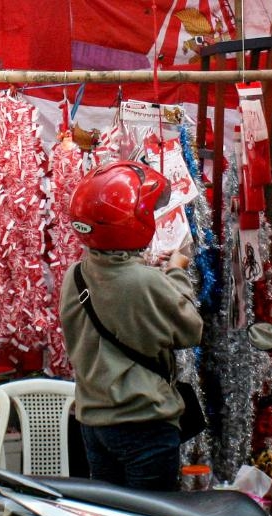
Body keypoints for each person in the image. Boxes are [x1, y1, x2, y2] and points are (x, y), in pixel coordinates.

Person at [60, 161, 204, 491]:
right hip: (143, 423)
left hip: (94, 423)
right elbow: (190, 329)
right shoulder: (143, 281)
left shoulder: (76, 274)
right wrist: (177, 269)